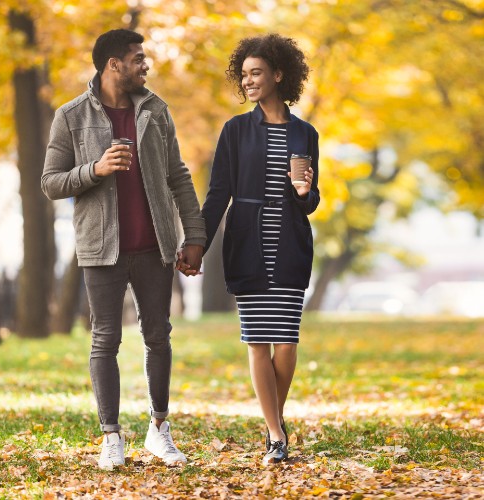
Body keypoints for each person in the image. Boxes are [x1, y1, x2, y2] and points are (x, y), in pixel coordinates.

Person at [41, 29, 205, 469]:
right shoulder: (71, 116)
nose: (144, 65)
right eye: (137, 58)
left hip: (155, 246)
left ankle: (159, 428)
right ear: (113, 64)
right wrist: (94, 169)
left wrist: (195, 236)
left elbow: (178, 177)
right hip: (101, 248)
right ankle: (111, 434)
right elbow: (51, 182)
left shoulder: (155, 110)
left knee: (158, 337)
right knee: (105, 340)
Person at [200, 33, 320, 465]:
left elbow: (310, 200)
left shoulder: (306, 133)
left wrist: (304, 191)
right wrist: (198, 243)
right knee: (258, 343)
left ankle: (275, 422)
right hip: (247, 243)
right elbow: (217, 195)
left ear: (278, 75)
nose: (249, 81)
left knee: (285, 343)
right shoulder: (235, 131)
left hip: (289, 243)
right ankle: (276, 434)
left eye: (257, 73)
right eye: (244, 75)